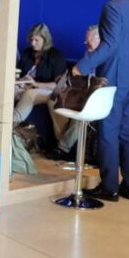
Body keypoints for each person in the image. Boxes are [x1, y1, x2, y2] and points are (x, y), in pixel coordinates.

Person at [75, 0, 129, 202]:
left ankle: (110, 188)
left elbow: (109, 45)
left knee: (108, 132)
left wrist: (81, 66)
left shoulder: (112, 8)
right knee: (128, 133)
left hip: (114, 78)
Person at [46, 25, 100, 159]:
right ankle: (63, 141)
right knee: (52, 100)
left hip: (96, 99)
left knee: (80, 113)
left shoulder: (106, 59)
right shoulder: (88, 56)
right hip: (80, 95)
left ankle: (63, 148)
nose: (85, 42)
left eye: (88, 39)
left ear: (98, 38)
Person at [13, 23, 67, 125]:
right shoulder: (27, 53)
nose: (33, 43)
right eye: (31, 40)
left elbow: (59, 85)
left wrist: (36, 84)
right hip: (24, 86)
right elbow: (20, 73)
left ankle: (12, 121)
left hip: (45, 90)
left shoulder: (55, 56)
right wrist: (20, 81)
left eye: (36, 40)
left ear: (45, 40)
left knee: (29, 94)